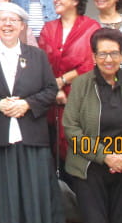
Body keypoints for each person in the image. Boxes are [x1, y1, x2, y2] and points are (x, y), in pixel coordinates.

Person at [0, 2, 63, 223]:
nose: (7, 24)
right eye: (3, 20)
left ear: (22, 27)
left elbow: (50, 90)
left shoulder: (37, 56)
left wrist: (27, 104)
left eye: (13, 20)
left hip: (30, 140)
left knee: (33, 199)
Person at [38, 0, 100, 170]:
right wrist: (54, 87)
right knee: (54, 152)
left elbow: (91, 63)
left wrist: (63, 80)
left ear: (75, 0)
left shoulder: (91, 27)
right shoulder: (48, 28)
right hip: (52, 99)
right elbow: (41, 62)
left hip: (80, 96)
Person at [63, 28, 122, 223]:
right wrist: (105, 156)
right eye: (103, 53)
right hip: (88, 168)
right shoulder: (81, 84)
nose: (109, 59)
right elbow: (71, 130)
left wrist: (118, 159)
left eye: (114, 53)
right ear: (94, 57)